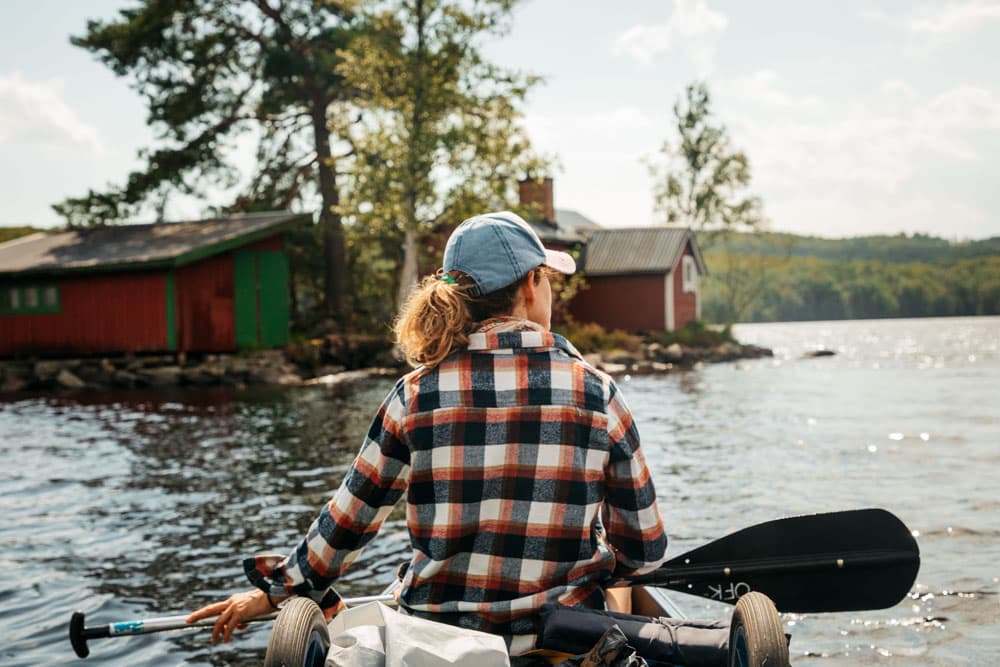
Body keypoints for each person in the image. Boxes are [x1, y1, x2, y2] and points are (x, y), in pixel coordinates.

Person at [187, 211, 669, 655]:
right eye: (548, 280)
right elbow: (645, 551)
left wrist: (277, 591)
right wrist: (600, 558)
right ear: (531, 283)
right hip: (561, 643)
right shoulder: (596, 393)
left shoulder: (414, 394)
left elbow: (347, 526)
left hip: (436, 646)